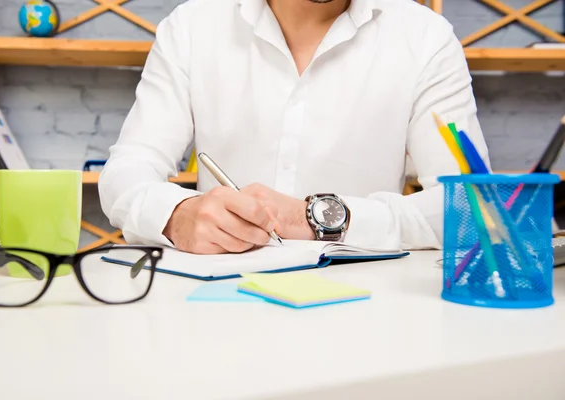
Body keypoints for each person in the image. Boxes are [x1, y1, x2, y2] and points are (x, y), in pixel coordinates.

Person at [98, 0, 490, 255]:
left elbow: (471, 207)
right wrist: (177, 214)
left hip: (368, 306)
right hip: (215, 302)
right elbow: (127, 170)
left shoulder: (425, 38)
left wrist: (316, 218)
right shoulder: (191, 26)